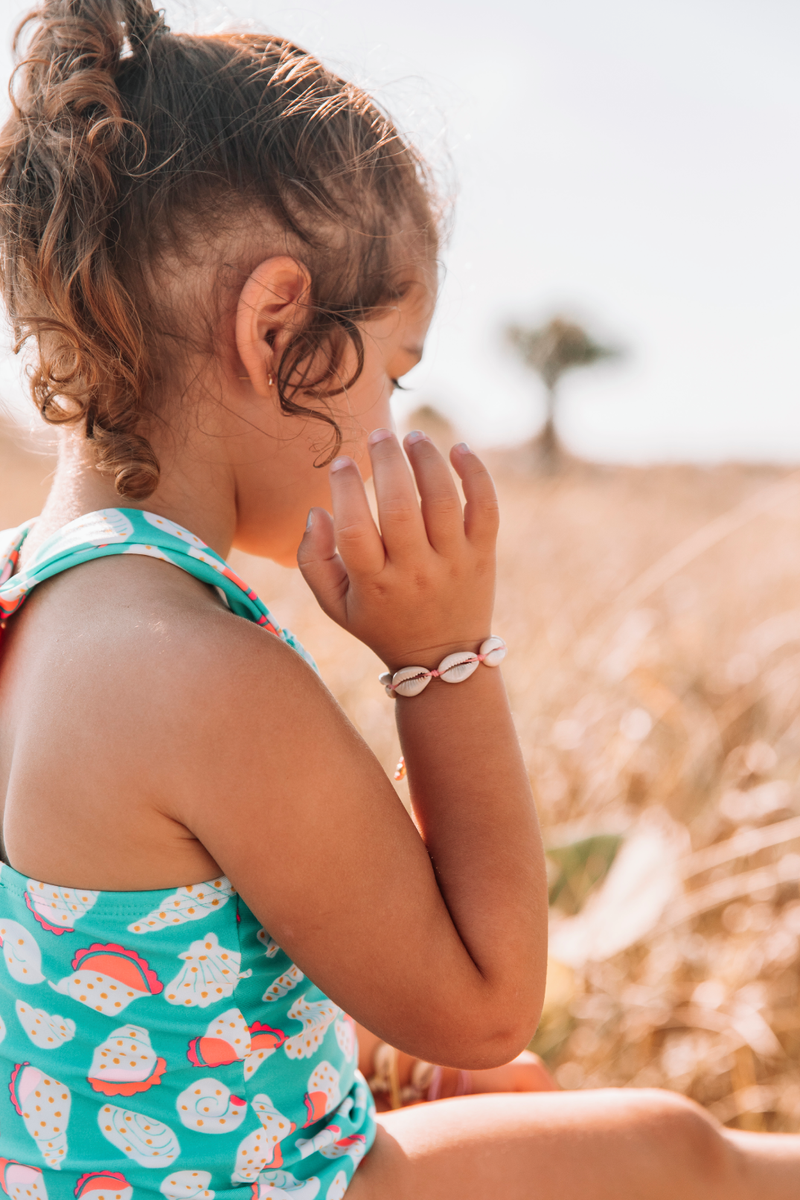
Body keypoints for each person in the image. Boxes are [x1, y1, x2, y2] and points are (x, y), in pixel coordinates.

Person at [0, 3, 796, 1198]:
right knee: (678, 1157)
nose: (393, 422)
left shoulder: (39, 592)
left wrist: (373, 1060)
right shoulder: (189, 667)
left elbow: (108, 974)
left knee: (514, 1105)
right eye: (393, 370)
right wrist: (442, 657)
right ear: (277, 330)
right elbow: (481, 1001)